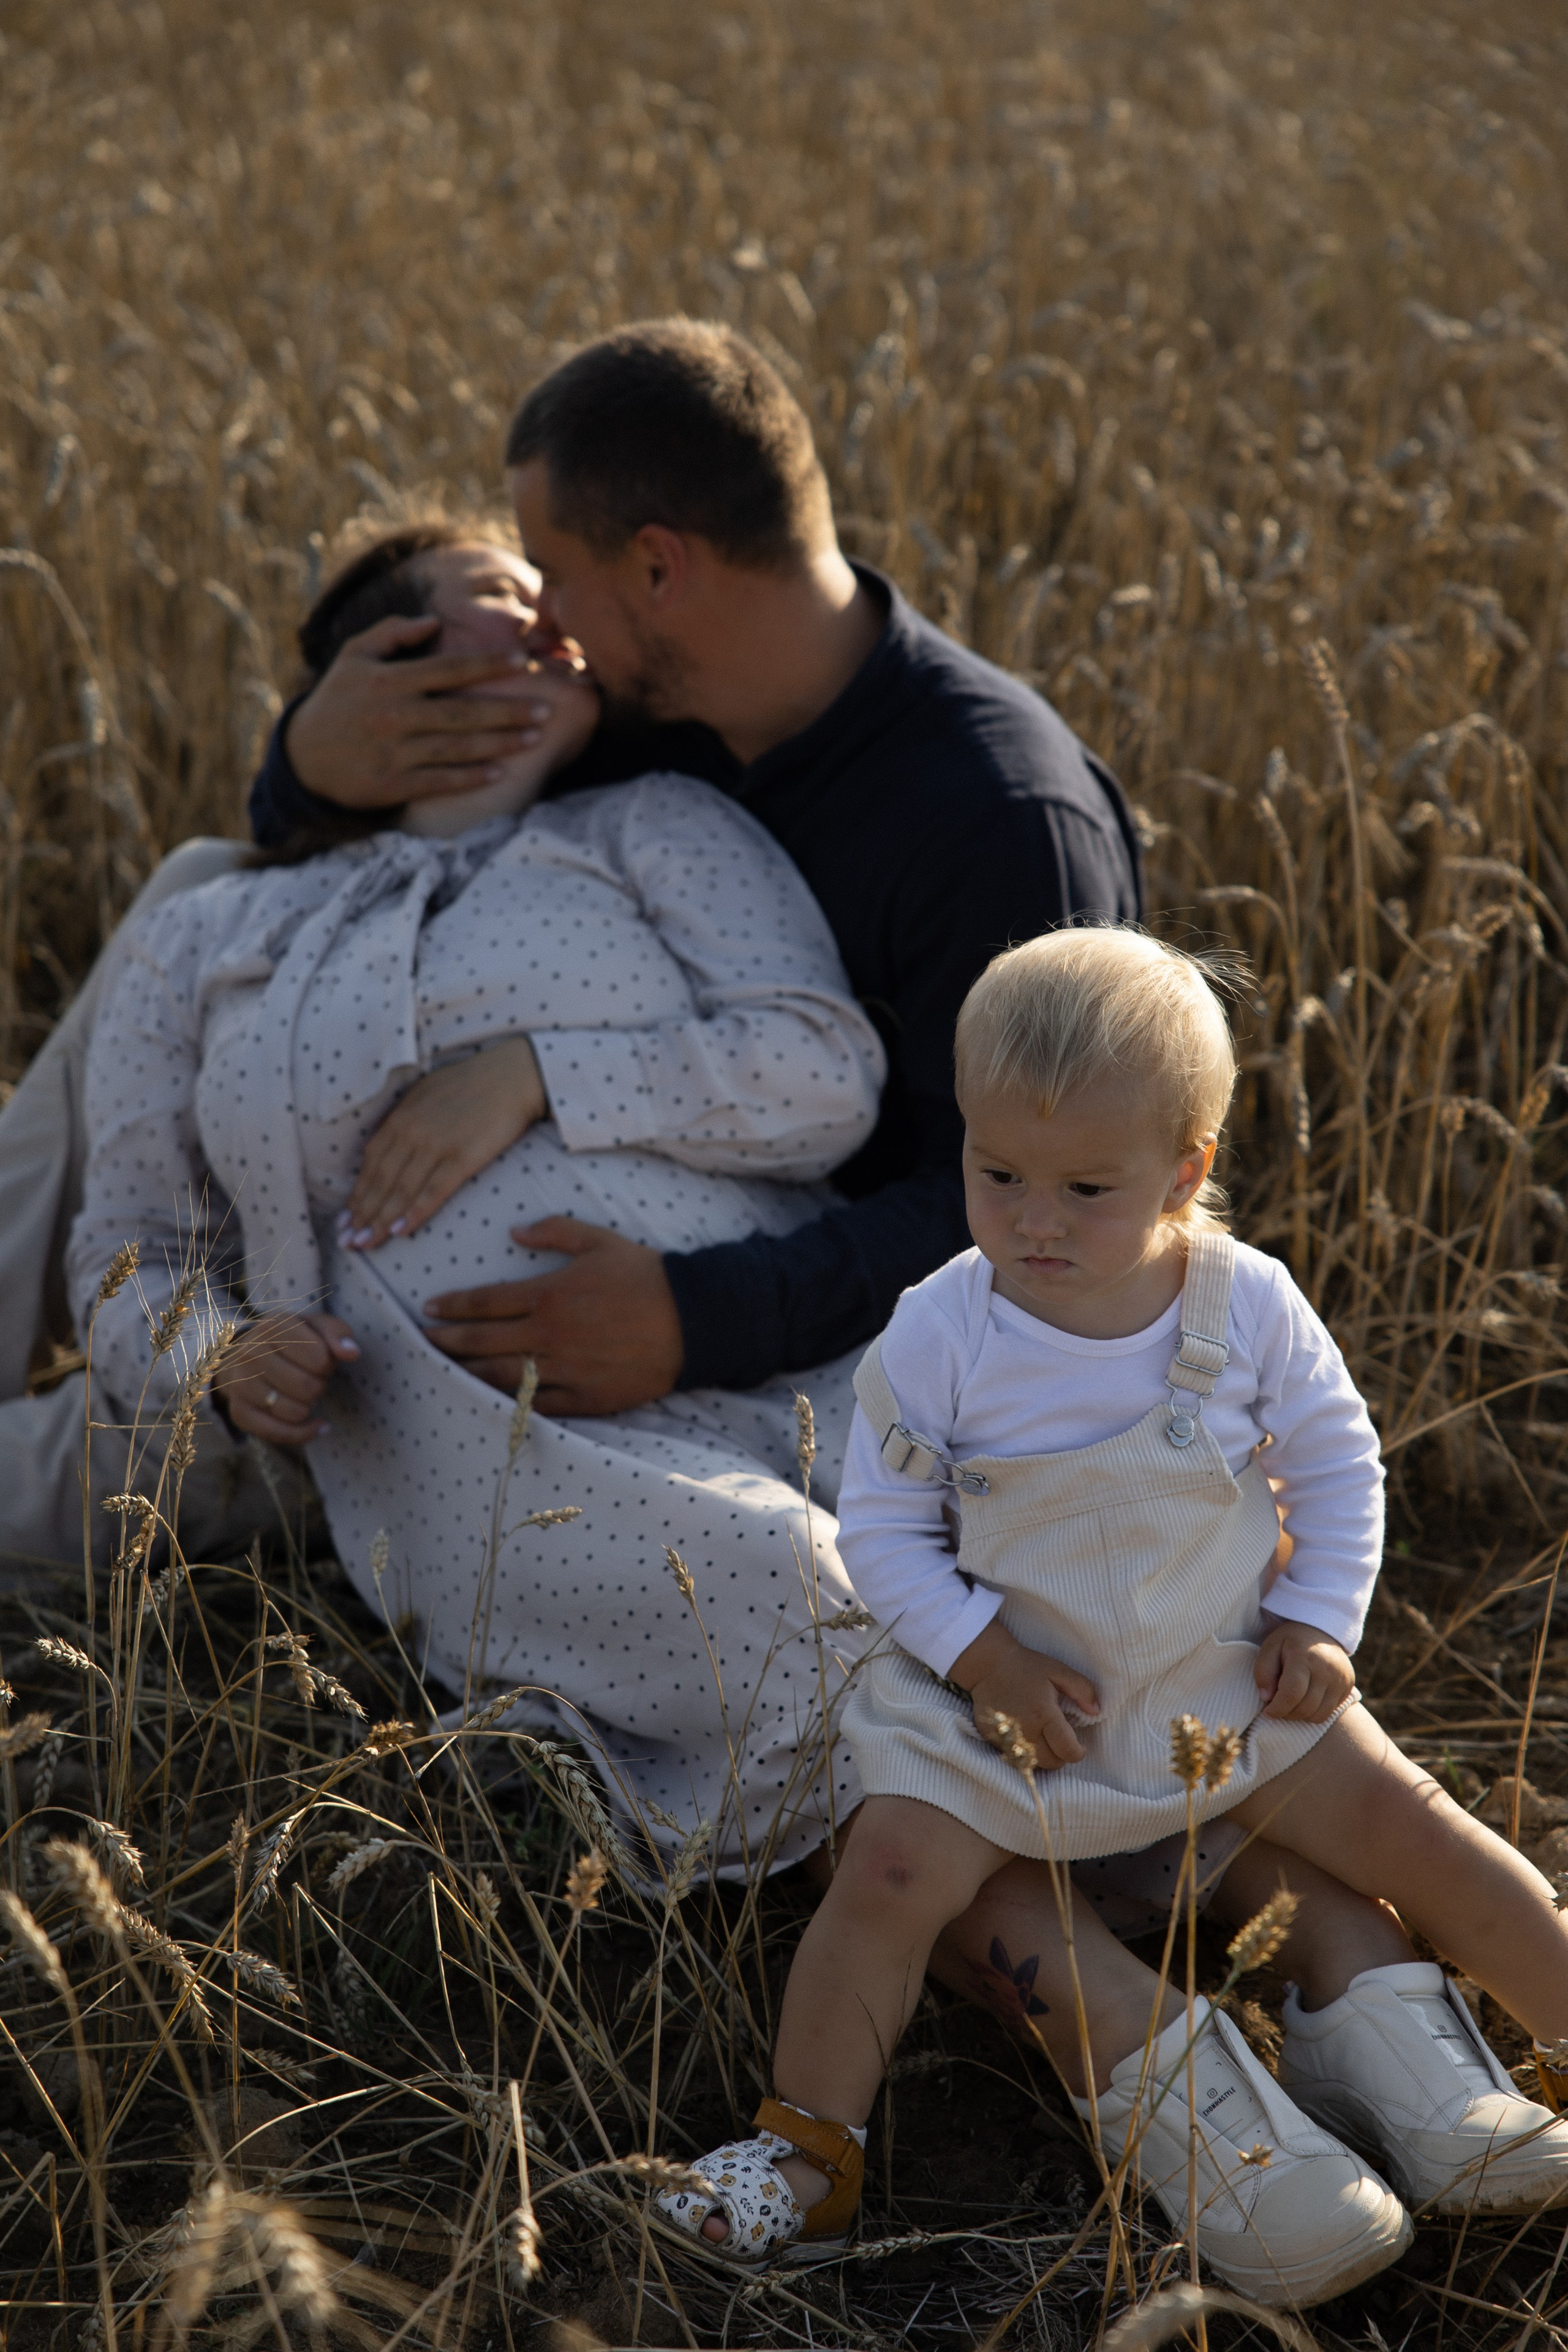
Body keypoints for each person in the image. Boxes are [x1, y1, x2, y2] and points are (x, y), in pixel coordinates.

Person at [655, 929, 1568, 2302]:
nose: (1033, 1220)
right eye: (997, 1174)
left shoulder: (1242, 1305)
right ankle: (808, 2154)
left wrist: (1317, 1622)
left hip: (1219, 1672)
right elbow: (882, 1533)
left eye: (1086, 1188)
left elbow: (1336, 1466)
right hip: (1012, 1710)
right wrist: (984, 1660)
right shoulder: (943, 1330)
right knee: (889, 1875)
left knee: (1414, 1827)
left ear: (1184, 1172)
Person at [66, 520, 886, 1875]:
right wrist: (219, 1356)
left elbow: (826, 1071)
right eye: (510, 592)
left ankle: (1209, 1953)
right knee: (802, 1605)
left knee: (1043, 1590)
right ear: (390, 651)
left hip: (780, 1357)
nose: (557, 615)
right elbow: (128, 1244)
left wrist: (540, 1075)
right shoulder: (205, 933)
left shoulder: (656, 823)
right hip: (488, 1456)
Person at [244, 317, 1142, 1434]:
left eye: (554, 576)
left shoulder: (1002, 824)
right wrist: (302, 765)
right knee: (193, 889)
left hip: (826, 1392)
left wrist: (695, 1319)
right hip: (428, 1339)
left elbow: (1044, 1210)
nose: (543, 619)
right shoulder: (638, 710)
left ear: (660, 567)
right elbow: (359, 845)